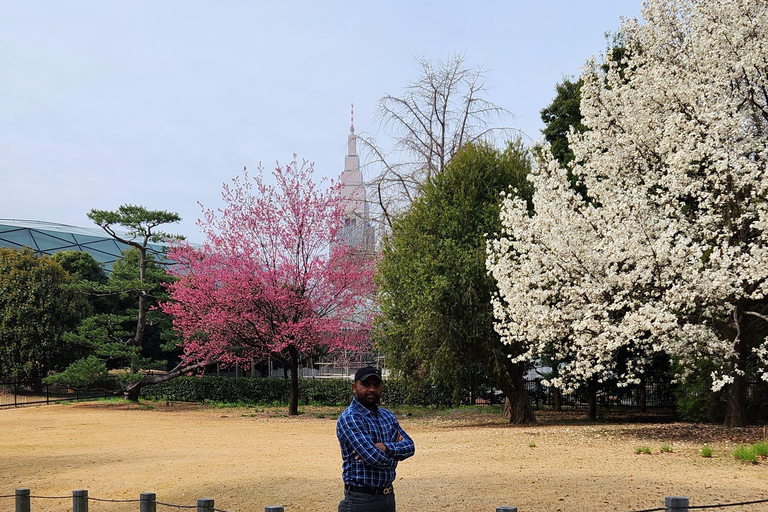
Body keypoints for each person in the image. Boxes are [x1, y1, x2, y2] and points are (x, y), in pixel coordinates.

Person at [336, 366, 415, 512]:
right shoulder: (350, 418)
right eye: (366, 384)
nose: (372, 389)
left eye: (376, 385)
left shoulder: (387, 416)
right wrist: (394, 459)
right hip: (361, 500)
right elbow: (373, 457)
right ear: (354, 387)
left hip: (388, 497)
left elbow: (410, 446)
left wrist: (385, 447)